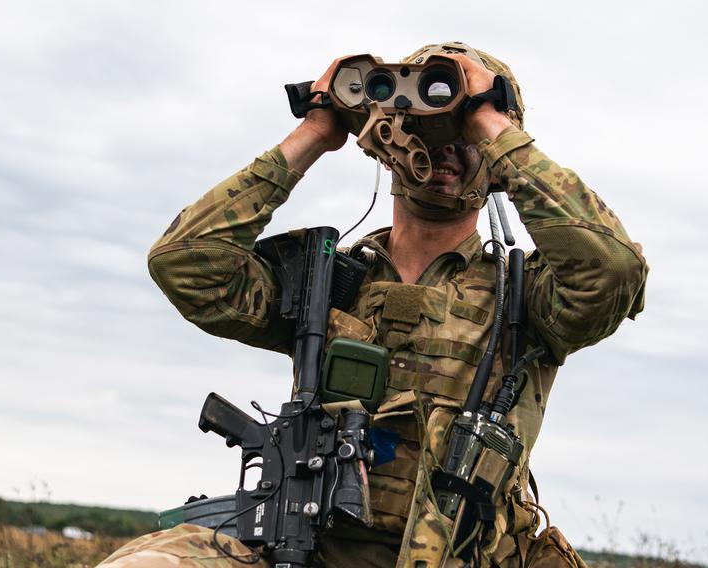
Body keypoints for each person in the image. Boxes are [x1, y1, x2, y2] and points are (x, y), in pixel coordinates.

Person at [98, 42, 648, 568]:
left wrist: (486, 118)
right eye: (427, 127)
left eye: (466, 136)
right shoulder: (326, 280)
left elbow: (612, 270)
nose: (447, 148)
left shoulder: (527, 295)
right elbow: (186, 263)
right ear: (387, 137)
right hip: (307, 550)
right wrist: (315, 131)